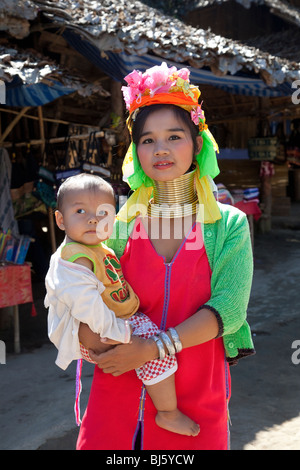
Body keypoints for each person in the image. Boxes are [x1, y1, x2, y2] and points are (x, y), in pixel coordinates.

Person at [76, 62, 255, 450]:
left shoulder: (228, 225)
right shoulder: (117, 224)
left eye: (174, 136)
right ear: (135, 150)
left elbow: (229, 308)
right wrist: (88, 337)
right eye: (147, 140)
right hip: (118, 390)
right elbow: (86, 295)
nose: (160, 150)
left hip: (194, 399)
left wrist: (155, 347)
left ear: (198, 143)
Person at [45, 172, 200, 436]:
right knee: (153, 350)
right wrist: (123, 335)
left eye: (102, 213)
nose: (93, 219)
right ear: (60, 220)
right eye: (80, 211)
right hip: (98, 327)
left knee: (148, 345)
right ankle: (168, 412)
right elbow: (87, 307)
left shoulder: (97, 247)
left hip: (111, 320)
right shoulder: (73, 259)